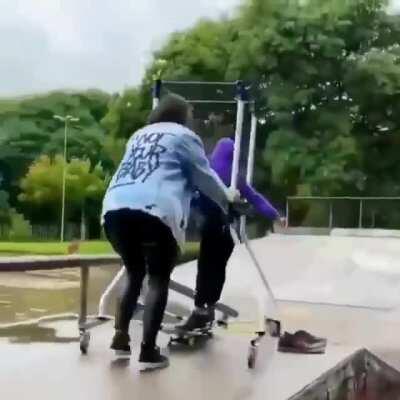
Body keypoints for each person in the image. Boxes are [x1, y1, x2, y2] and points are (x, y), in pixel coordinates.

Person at [102, 94, 236, 371]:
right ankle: (148, 351)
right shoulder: (184, 136)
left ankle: (121, 335)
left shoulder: (138, 135)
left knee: (133, 271)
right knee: (158, 278)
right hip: (155, 210)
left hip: (115, 208)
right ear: (183, 116)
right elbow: (205, 177)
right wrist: (229, 198)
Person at [178, 137, 284, 332]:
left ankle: (201, 307)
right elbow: (256, 198)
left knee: (206, 267)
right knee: (218, 269)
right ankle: (208, 305)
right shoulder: (235, 175)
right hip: (225, 229)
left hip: (209, 226)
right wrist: (275, 215)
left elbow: (189, 192)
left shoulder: (206, 168)